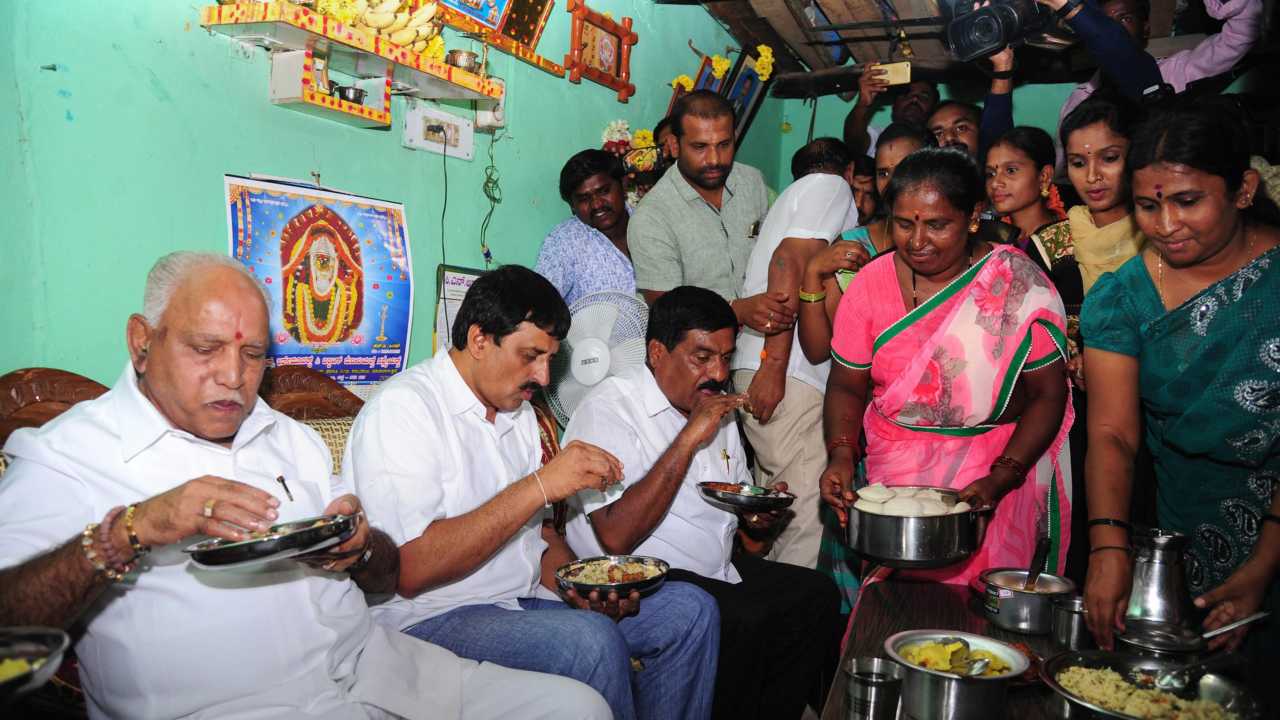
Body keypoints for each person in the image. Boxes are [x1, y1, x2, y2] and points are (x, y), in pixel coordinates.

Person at [0, 252, 610, 720]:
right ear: (142, 341)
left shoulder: (288, 438)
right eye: (205, 349)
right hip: (239, 705)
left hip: (378, 671)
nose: (233, 376)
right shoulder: (71, 453)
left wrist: (360, 547)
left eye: (253, 354)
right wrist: (132, 531)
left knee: (578, 708)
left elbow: (385, 573)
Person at [344, 265, 720, 720]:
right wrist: (541, 485)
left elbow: (541, 538)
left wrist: (580, 588)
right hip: (430, 617)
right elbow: (410, 570)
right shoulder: (403, 409)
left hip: (522, 602)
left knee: (690, 610)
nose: (543, 377)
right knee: (591, 643)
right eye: (531, 356)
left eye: (550, 359)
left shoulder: (517, 412)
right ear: (479, 340)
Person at [1079, 104, 1280, 705]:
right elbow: (1112, 434)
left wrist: (1263, 565)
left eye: (1188, 201)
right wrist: (1108, 547)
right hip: (1183, 541)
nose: (1167, 224)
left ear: (1243, 189)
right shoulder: (1121, 298)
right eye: (1148, 206)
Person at [564, 286, 841, 720]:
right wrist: (689, 437)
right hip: (641, 578)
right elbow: (616, 535)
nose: (718, 372)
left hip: (717, 570)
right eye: (703, 357)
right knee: (744, 617)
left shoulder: (716, 408)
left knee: (816, 595)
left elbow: (747, 540)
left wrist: (757, 520)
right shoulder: (609, 409)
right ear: (657, 353)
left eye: (727, 358)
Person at [820, 148, 1075, 588]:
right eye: (904, 224)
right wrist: (841, 452)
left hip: (995, 476)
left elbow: (1048, 394)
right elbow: (846, 383)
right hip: (896, 483)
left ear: (973, 215)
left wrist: (1001, 477)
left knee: (983, 612)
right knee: (897, 607)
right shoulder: (870, 285)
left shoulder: (1018, 284)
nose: (917, 241)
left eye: (937, 225)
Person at [731, 138, 856, 569]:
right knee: (804, 516)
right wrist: (774, 366)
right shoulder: (830, 187)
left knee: (775, 508)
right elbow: (788, 261)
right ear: (849, 172)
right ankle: (794, 608)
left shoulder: (792, 198)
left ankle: (771, 601)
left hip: (765, 367)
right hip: (788, 374)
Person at [628, 91, 785, 337]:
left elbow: (775, 254)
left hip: (762, 334)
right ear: (674, 146)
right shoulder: (651, 217)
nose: (714, 159)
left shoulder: (751, 181)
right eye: (700, 147)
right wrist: (737, 310)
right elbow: (666, 311)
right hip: (700, 346)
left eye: (724, 145)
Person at [1049, 0, 1263, 127]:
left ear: (1146, 28)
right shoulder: (1079, 101)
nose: (1114, 30)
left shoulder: (1179, 72)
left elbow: (1243, 31)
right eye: (1103, 24)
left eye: (1125, 18)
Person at [535, 149, 636, 306]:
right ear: (572, 206)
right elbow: (540, 304)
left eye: (604, 191)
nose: (597, 204)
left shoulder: (651, 223)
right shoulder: (564, 242)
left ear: (623, 185)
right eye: (584, 199)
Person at [841, 69, 939, 158]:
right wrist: (863, 103)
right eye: (906, 94)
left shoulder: (941, 140)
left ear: (934, 107)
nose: (914, 99)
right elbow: (854, 140)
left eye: (924, 96)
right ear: (894, 104)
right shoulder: (879, 137)